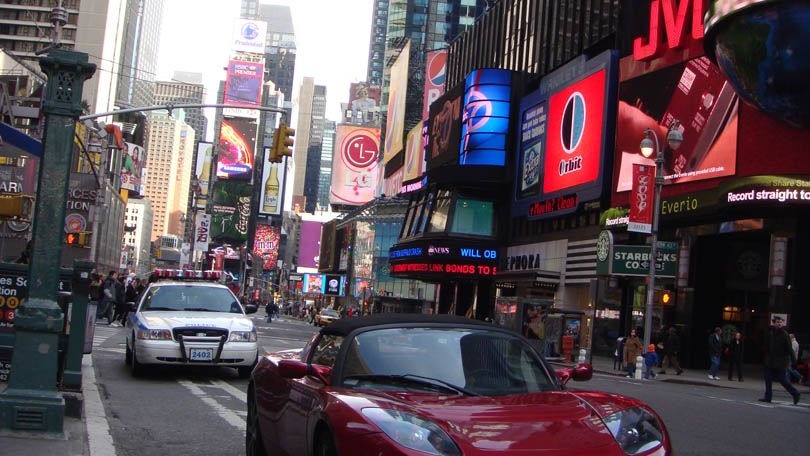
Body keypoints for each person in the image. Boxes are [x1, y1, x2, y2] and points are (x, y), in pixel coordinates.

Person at [759, 315, 800, 405]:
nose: (779, 323)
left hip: (780, 362)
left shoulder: (785, 335)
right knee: (768, 379)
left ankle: (796, 393)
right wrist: (765, 357)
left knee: (783, 380)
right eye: (777, 322)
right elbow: (767, 347)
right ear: (774, 323)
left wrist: (793, 361)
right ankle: (768, 397)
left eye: (781, 322)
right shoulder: (771, 333)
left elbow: (790, 349)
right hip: (770, 361)